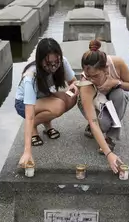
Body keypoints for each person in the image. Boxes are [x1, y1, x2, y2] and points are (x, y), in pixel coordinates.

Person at [15, 38, 79, 168]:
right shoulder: (30, 76)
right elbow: (29, 115)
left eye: (56, 62)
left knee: (72, 98)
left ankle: (47, 123)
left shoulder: (63, 62)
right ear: (40, 60)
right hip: (24, 104)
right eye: (49, 63)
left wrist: (74, 86)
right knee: (58, 106)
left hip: (46, 97)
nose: (53, 67)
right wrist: (27, 152)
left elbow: (73, 81)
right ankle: (33, 129)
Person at [78, 39, 129, 173]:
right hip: (94, 101)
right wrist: (109, 154)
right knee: (101, 124)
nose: (91, 79)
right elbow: (93, 121)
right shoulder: (86, 84)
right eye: (88, 76)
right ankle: (100, 126)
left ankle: (110, 137)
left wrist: (116, 83)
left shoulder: (117, 63)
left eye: (95, 76)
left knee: (120, 95)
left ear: (106, 68)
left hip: (112, 95)